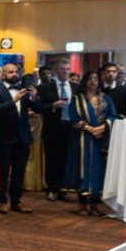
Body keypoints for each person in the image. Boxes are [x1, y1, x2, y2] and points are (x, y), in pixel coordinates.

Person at [64, 71, 116, 216]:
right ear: (85, 81)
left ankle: (94, 206)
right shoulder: (77, 99)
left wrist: (102, 127)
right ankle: (82, 206)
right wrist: (90, 129)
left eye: (95, 79)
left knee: (98, 171)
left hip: (100, 140)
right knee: (83, 169)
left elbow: (113, 115)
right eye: (90, 78)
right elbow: (73, 118)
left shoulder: (106, 98)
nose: (93, 81)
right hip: (82, 140)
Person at [0, 64, 37, 214]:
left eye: (16, 72)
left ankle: (16, 201)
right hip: (5, 137)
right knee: (3, 171)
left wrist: (34, 97)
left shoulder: (24, 89)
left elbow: (38, 109)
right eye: (10, 72)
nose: (14, 74)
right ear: (2, 74)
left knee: (19, 171)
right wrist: (14, 100)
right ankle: (2, 201)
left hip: (22, 136)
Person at [35, 60, 78, 201]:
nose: (65, 72)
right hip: (52, 127)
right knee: (52, 159)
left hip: (70, 128)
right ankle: (51, 188)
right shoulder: (45, 87)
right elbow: (38, 107)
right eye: (62, 69)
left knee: (65, 160)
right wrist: (53, 105)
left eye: (67, 69)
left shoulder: (75, 87)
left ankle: (62, 189)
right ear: (55, 72)